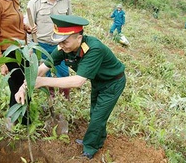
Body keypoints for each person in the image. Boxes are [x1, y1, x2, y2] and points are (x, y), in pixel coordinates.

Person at [15, 15, 126, 159]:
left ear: (78, 38)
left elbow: (78, 81)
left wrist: (43, 82)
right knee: (96, 112)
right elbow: (42, 68)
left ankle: (90, 149)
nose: (61, 45)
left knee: (98, 116)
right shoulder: (63, 48)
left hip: (112, 83)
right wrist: (23, 87)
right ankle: (98, 140)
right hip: (98, 81)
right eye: (59, 42)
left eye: (65, 42)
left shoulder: (94, 49)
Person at [26, 0, 72, 99]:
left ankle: (64, 97)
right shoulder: (35, 3)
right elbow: (28, 26)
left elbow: (69, 22)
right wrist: (30, 46)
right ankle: (50, 96)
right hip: (41, 44)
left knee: (63, 71)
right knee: (45, 73)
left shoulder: (66, 1)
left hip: (60, 45)